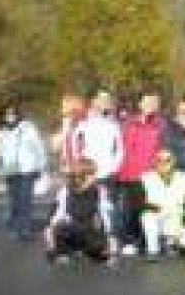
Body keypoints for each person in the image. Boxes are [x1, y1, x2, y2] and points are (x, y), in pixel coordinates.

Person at [71, 89, 123, 251]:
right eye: (102, 99)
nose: (105, 102)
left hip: (107, 174)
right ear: (93, 101)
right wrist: (81, 168)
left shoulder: (113, 124)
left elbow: (119, 149)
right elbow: (75, 146)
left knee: (107, 207)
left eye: (108, 99)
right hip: (87, 173)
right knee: (86, 209)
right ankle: (84, 242)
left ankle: (110, 241)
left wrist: (113, 167)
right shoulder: (83, 124)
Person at [116, 89, 165, 256]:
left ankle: (147, 241)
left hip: (153, 174)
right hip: (133, 173)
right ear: (140, 104)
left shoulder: (160, 124)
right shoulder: (130, 124)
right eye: (147, 101)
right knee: (132, 209)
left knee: (149, 209)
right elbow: (125, 149)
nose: (151, 105)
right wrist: (123, 172)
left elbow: (162, 148)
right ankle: (130, 240)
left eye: (154, 102)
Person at [0, 101, 48, 242]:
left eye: (13, 113)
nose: (10, 116)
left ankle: (25, 228)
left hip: (26, 168)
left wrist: (42, 165)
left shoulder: (28, 127)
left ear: (18, 114)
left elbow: (38, 146)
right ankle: (16, 226)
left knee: (25, 199)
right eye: (7, 114)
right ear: (2, 115)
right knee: (14, 200)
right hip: (9, 169)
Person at [44, 158, 113, 265]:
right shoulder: (66, 191)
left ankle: (90, 249)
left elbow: (104, 213)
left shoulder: (99, 191)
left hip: (89, 228)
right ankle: (63, 251)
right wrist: (50, 231)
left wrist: (110, 235)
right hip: (72, 227)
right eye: (91, 174)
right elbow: (59, 213)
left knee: (100, 256)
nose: (94, 177)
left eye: (94, 174)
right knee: (60, 228)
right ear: (82, 175)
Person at [140, 149, 185, 261]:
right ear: (155, 162)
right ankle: (153, 250)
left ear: (173, 161)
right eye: (159, 160)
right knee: (147, 218)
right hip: (157, 213)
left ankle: (171, 244)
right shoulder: (146, 177)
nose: (163, 163)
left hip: (177, 214)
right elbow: (139, 201)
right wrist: (154, 207)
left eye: (167, 160)